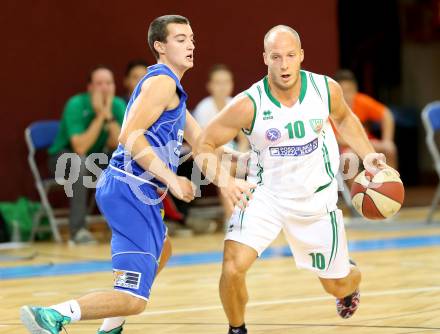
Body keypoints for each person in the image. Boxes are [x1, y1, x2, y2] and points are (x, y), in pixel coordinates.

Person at [195, 25, 395, 334]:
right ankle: (237, 329)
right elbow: (204, 144)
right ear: (265, 58)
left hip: (316, 200)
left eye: (290, 55)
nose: (284, 64)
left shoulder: (324, 89)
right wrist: (226, 181)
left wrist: (367, 154)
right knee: (233, 266)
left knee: (336, 285)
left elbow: (343, 118)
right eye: (276, 57)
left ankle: (350, 277)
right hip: (266, 196)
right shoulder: (249, 103)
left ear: (301, 55)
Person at [20, 15, 200, 334]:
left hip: (128, 188)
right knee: (134, 300)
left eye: (191, 38)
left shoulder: (167, 85)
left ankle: (110, 326)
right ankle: (53, 314)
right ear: (160, 46)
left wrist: (240, 164)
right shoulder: (163, 82)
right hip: (131, 190)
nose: (191, 44)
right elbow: (128, 136)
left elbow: (203, 140)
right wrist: (172, 180)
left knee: (164, 248)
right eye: (181, 38)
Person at [47, 65, 126, 245]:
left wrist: (108, 116)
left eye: (108, 83)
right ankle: (78, 230)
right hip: (63, 158)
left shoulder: (118, 105)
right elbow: (80, 147)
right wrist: (99, 116)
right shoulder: (76, 104)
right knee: (79, 163)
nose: (104, 88)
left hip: (95, 159)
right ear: (90, 87)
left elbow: (120, 144)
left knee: (126, 162)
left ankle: (126, 227)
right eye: (99, 83)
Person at [192, 64, 249, 224]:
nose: (223, 86)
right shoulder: (205, 108)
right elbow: (203, 144)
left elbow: (244, 138)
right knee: (224, 165)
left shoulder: (235, 104)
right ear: (210, 86)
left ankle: (248, 215)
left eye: (226, 82)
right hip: (210, 157)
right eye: (218, 82)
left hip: (233, 155)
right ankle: (231, 216)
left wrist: (242, 155)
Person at [334, 69, 397, 168]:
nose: (346, 96)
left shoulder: (361, 101)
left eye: (349, 91)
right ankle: (355, 184)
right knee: (349, 157)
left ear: (355, 89)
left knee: (389, 148)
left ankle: (391, 181)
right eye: (343, 91)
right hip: (346, 147)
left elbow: (386, 114)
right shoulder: (332, 107)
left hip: (367, 142)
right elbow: (339, 140)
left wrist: (387, 141)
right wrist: (361, 146)